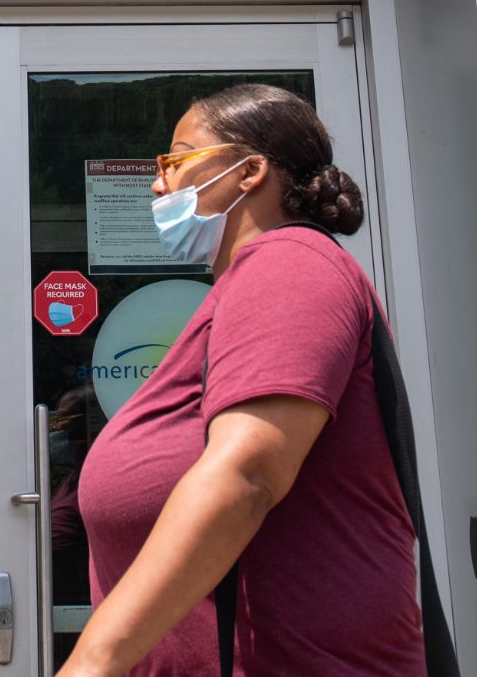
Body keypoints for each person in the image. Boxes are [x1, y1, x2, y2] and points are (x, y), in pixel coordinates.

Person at [61, 83, 424, 676]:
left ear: (250, 171)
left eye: (174, 161)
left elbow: (248, 472)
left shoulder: (288, 264)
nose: (158, 184)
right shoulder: (251, 281)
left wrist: (91, 665)